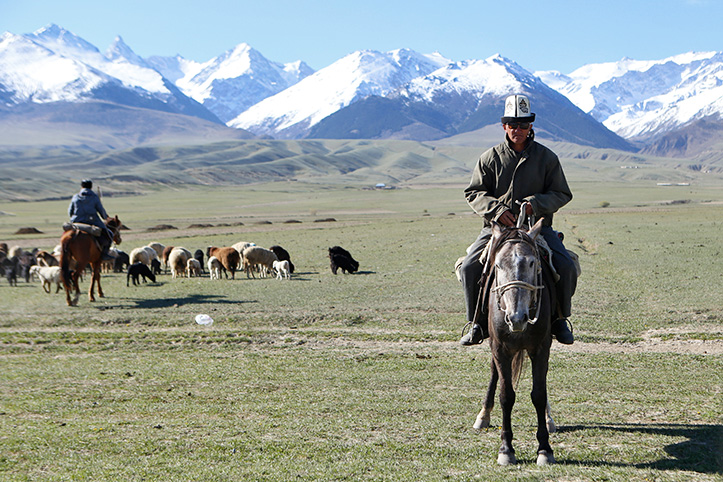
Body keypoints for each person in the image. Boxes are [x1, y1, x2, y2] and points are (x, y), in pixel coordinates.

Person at [458, 94, 576, 346]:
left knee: (565, 266)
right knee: (469, 267)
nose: (518, 130)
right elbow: (473, 192)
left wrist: (537, 204)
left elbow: (562, 193)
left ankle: (559, 320)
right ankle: (476, 323)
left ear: (531, 126)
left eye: (523, 125)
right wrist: (496, 210)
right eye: (513, 125)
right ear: (504, 127)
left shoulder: (547, 158)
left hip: (536, 230)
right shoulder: (490, 158)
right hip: (497, 231)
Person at [68, 179, 113, 259]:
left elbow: (70, 211)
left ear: (81, 186)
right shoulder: (94, 197)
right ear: (91, 187)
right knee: (109, 234)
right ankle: (104, 254)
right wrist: (105, 217)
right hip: (92, 221)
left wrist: (73, 218)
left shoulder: (75, 197)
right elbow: (100, 210)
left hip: (76, 221)